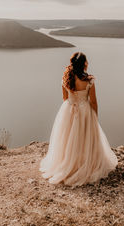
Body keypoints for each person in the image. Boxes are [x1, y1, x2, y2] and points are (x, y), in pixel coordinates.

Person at [39, 52, 118, 187]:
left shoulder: (66, 78)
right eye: (87, 61)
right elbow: (93, 102)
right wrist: (95, 117)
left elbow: (65, 98)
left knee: (67, 138)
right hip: (85, 111)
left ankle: (68, 163)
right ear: (84, 64)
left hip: (68, 109)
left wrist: (72, 103)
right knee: (84, 138)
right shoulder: (89, 80)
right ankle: (83, 163)